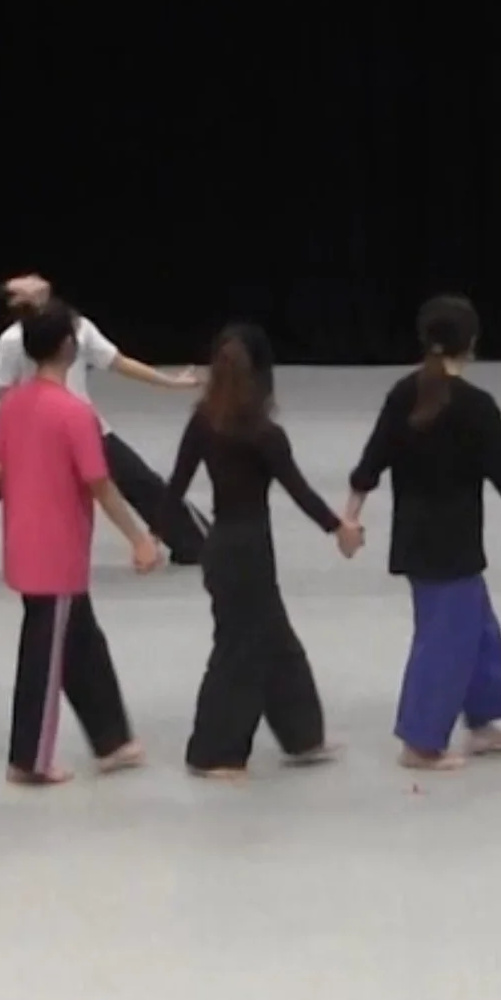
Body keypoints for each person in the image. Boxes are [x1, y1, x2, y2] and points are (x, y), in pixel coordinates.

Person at [0, 298, 162, 785]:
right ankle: (30, 759)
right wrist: (139, 538)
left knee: (82, 640)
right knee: (46, 653)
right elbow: (99, 484)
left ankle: (112, 740)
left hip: (25, 545)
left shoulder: (13, 405)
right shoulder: (75, 414)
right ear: (68, 347)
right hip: (57, 552)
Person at [344, 295, 501, 771]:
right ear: (472, 343)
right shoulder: (475, 406)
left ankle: (485, 717)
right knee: (446, 637)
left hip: (415, 537)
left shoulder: (404, 393)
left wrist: (351, 517)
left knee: (476, 625)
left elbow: (370, 462)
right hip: (453, 542)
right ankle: (420, 742)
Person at [165, 322, 364, 778]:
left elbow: (172, 491)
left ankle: (302, 735)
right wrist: (340, 529)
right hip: (249, 551)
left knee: (276, 642)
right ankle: (213, 752)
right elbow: (300, 492)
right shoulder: (264, 434)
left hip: (221, 547)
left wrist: (156, 537)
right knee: (240, 649)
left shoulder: (202, 421)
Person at [0, 273, 207, 571]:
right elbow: (6, 391)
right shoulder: (11, 340)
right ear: (17, 301)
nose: (34, 279)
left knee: (142, 482)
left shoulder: (79, 327)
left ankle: (194, 542)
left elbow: (118, 362)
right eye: (22, 284)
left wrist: (171, 382)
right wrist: (19, 432)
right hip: (35, 431)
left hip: (85, 425)